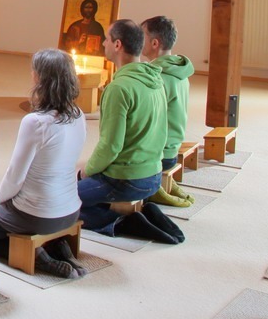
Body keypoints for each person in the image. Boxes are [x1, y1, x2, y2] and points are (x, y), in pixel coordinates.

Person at [77, 20, 184, 243]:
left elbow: (110, 146)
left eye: (107, 39)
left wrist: (88, 170)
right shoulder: (156, 78)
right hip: (154, 176)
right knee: (78, 193)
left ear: (117, 45)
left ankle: (122, 222)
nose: (103, 43)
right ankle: (147, 212)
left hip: (126, 180)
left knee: (58, 204)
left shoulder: (118, 88)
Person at [0, 50, 86, 278]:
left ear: (41, 79)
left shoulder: (36, 122)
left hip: (37, 214)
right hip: (71, 210)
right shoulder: (78, 115)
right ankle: (57, 246)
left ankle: (39, 257)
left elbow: (15, 174)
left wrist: (1, 199)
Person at [141, 16, 196, 208]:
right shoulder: (178, 70)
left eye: (142, 36)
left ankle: (153, 188)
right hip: (173, 149)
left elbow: (146, 120)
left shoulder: (158, 77)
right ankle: (166, 183)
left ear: (154, 43)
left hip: (159, 155)